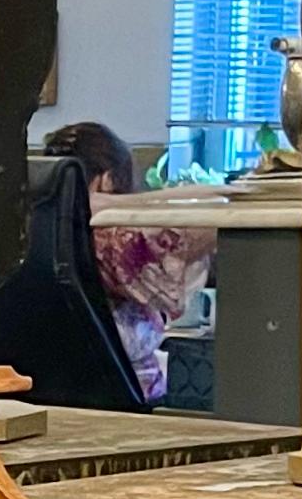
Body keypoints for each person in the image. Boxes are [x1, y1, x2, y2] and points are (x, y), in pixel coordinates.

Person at [44, 121, 209, 407]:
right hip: (118, 393)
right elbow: (182, 241)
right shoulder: (109, 240)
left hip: (51, 385)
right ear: (107, 179)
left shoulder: (37, 222)